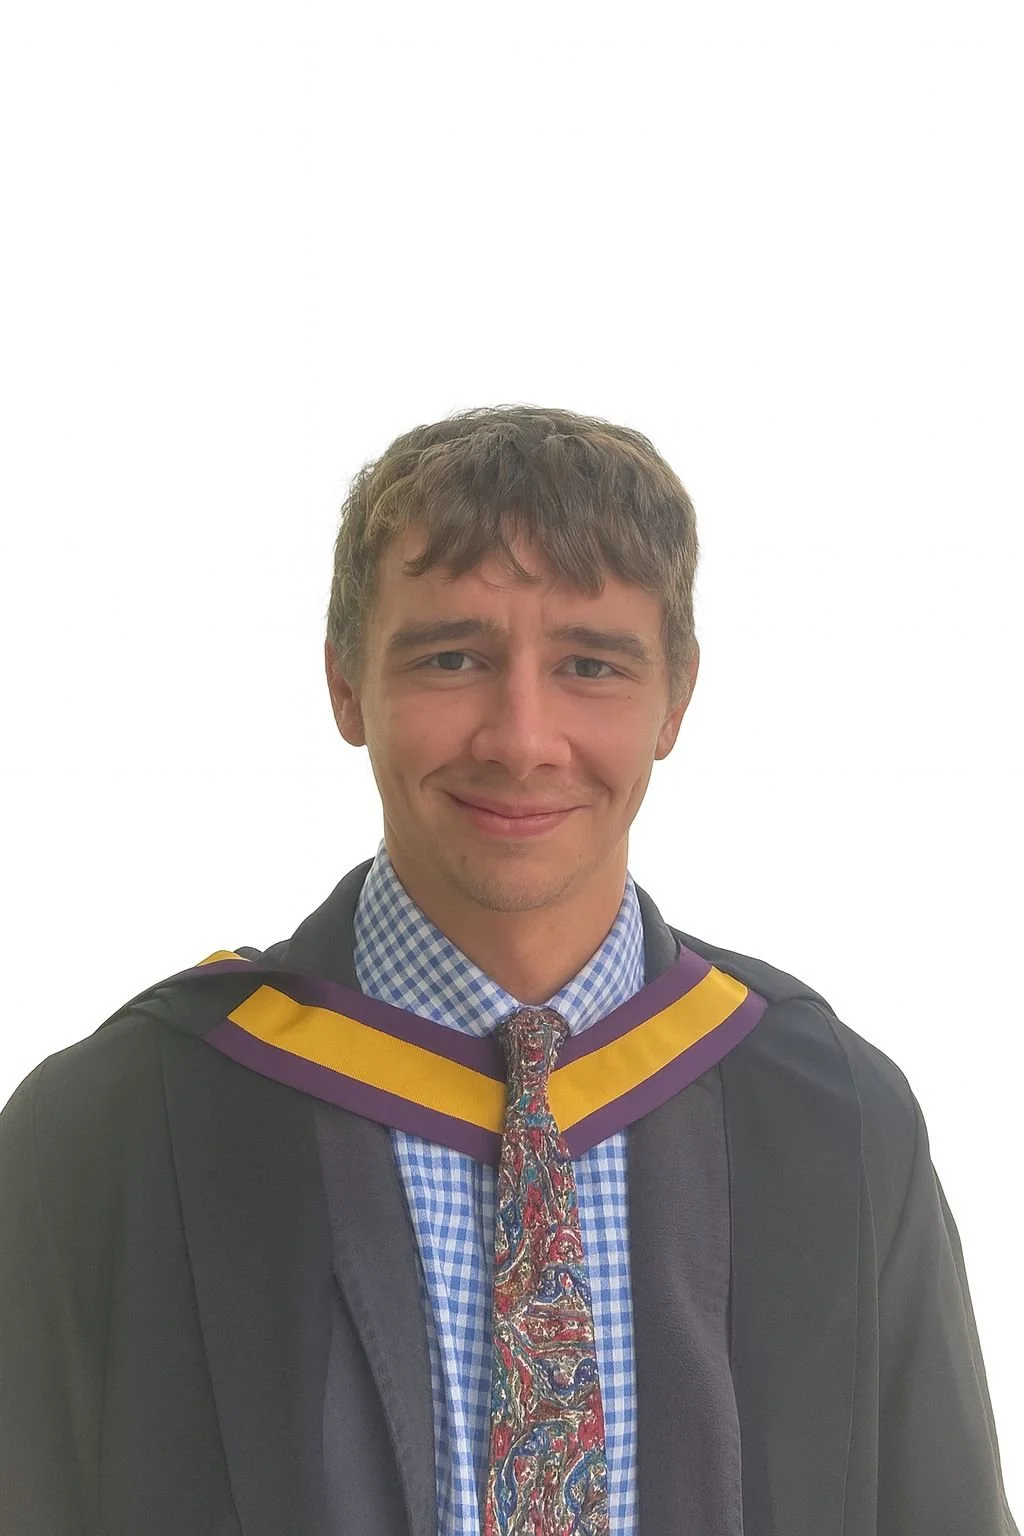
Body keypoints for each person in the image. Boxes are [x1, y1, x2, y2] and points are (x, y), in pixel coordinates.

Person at [0, 404, 1017, 1536]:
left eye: (590, 665)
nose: (522, 739)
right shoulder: (114, 1130)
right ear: (345, 684)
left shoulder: (837, 1122)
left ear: (676, 700)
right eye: (452, 658)